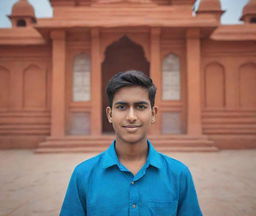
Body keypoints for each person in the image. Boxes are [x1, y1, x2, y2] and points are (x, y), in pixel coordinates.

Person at [60, 70, 203, 216]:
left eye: (140, 107)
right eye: (122, 107)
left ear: (153, 114)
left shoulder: (178, 174)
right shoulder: (83, 175)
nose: (131, 117)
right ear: (110, 114)